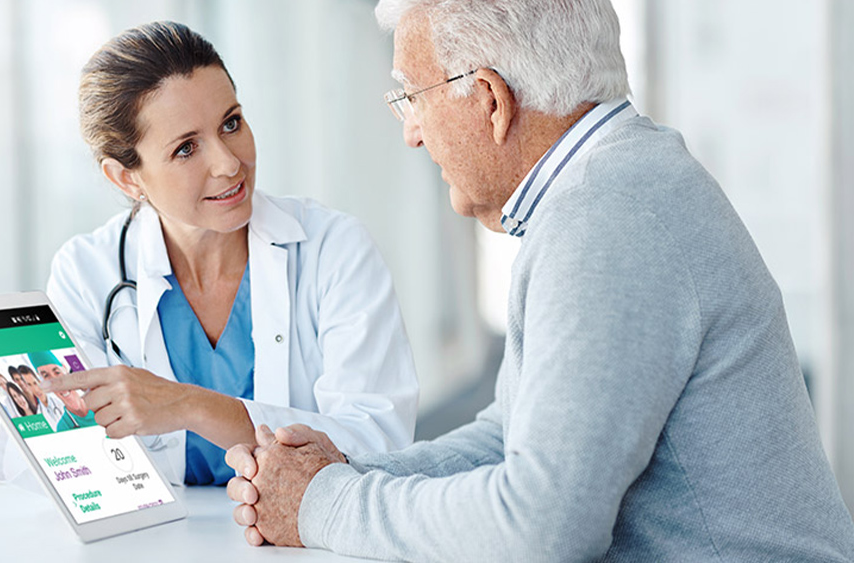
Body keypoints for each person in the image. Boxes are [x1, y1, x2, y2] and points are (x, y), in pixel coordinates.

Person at [225, 0, 854, 560]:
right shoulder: (613, 185)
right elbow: (509, 436)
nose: (412, 133)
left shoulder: (608, 221)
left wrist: (323, 503)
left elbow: (540, 530)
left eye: (412, 98)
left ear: (491, 100)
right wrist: (347, 471)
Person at [0, 21, 418, 488]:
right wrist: (11, 388)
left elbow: (380, 446)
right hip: (159, 542)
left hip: (304, 539)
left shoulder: (333, 250)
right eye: (185, 148)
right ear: (125, 177)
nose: (228, 164)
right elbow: (54, 472)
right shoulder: (88, 273)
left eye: (231, 123)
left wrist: (189, 406)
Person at [28, 351, 94, 432]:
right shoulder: (63, 427)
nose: (57, 382)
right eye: (46, 376)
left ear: (65, 369)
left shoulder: (99, 400)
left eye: (57, 372)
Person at [17, 363, 66, 430]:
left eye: (35, 383)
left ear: (39, 380)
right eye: (29, 385)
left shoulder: (60, 398)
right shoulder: (39, 414)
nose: (35, 389)